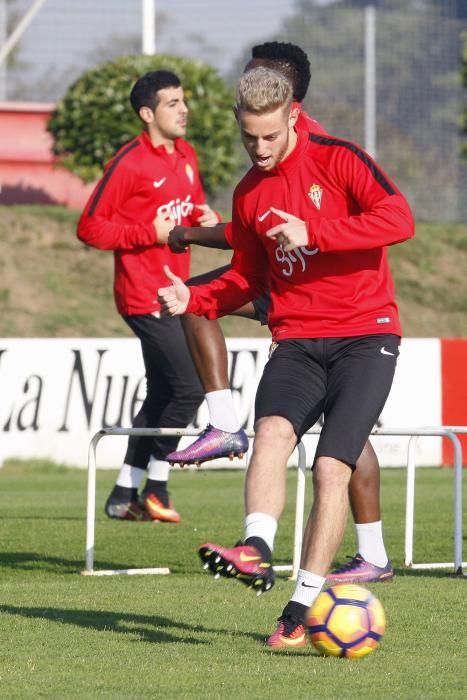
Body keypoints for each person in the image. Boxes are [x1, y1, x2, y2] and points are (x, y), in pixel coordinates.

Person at [157, 66, 414, 648]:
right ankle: (255, 548)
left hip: (365, 336)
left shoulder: (340, 158)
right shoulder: (249, 192)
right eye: (250, 138)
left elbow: (400, 220)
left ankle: (298, 610)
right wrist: (192, 297)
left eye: (270, 136)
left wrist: (316, 232)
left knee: (330, 468)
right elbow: (247, 278)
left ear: (293, 116)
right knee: (270, 433)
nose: (261, 148)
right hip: (297, 339)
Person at [77, 70, 220, 523]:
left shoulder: (187, 155)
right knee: (191, 386)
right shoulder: (130, 162)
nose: (183, 110)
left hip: (176, 293)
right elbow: (90, 227)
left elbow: (190, 210)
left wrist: (206, 221)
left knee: (162, 393)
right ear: (147, 113)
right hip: (142, 295)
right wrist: (146, 233)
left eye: (183, 100)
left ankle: (123, 494)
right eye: (172, 103)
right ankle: (158, 483)